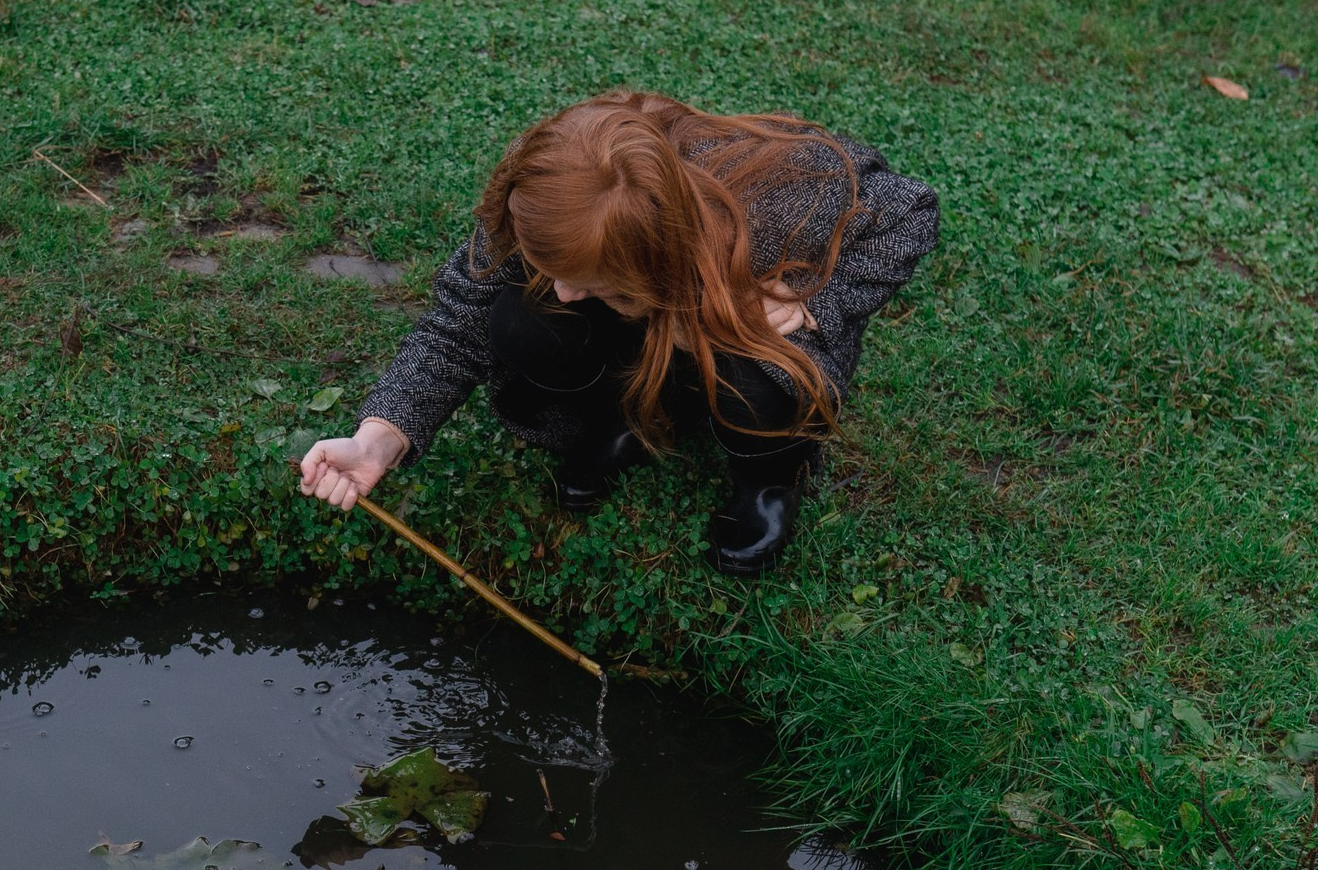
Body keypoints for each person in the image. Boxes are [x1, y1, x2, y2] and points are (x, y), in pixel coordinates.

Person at [298, 91, 940, 577]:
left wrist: (818, 298)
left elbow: (910, 210)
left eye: (585, 280)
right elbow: (453, 327)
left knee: (759, 369)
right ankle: (628, 417)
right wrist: (378, 440)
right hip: (651, 317)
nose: (563, 290)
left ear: (653, 249)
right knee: (523, 319)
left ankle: (769, 480)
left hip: (722, 314)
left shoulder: (777, 198)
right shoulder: (545, 197)